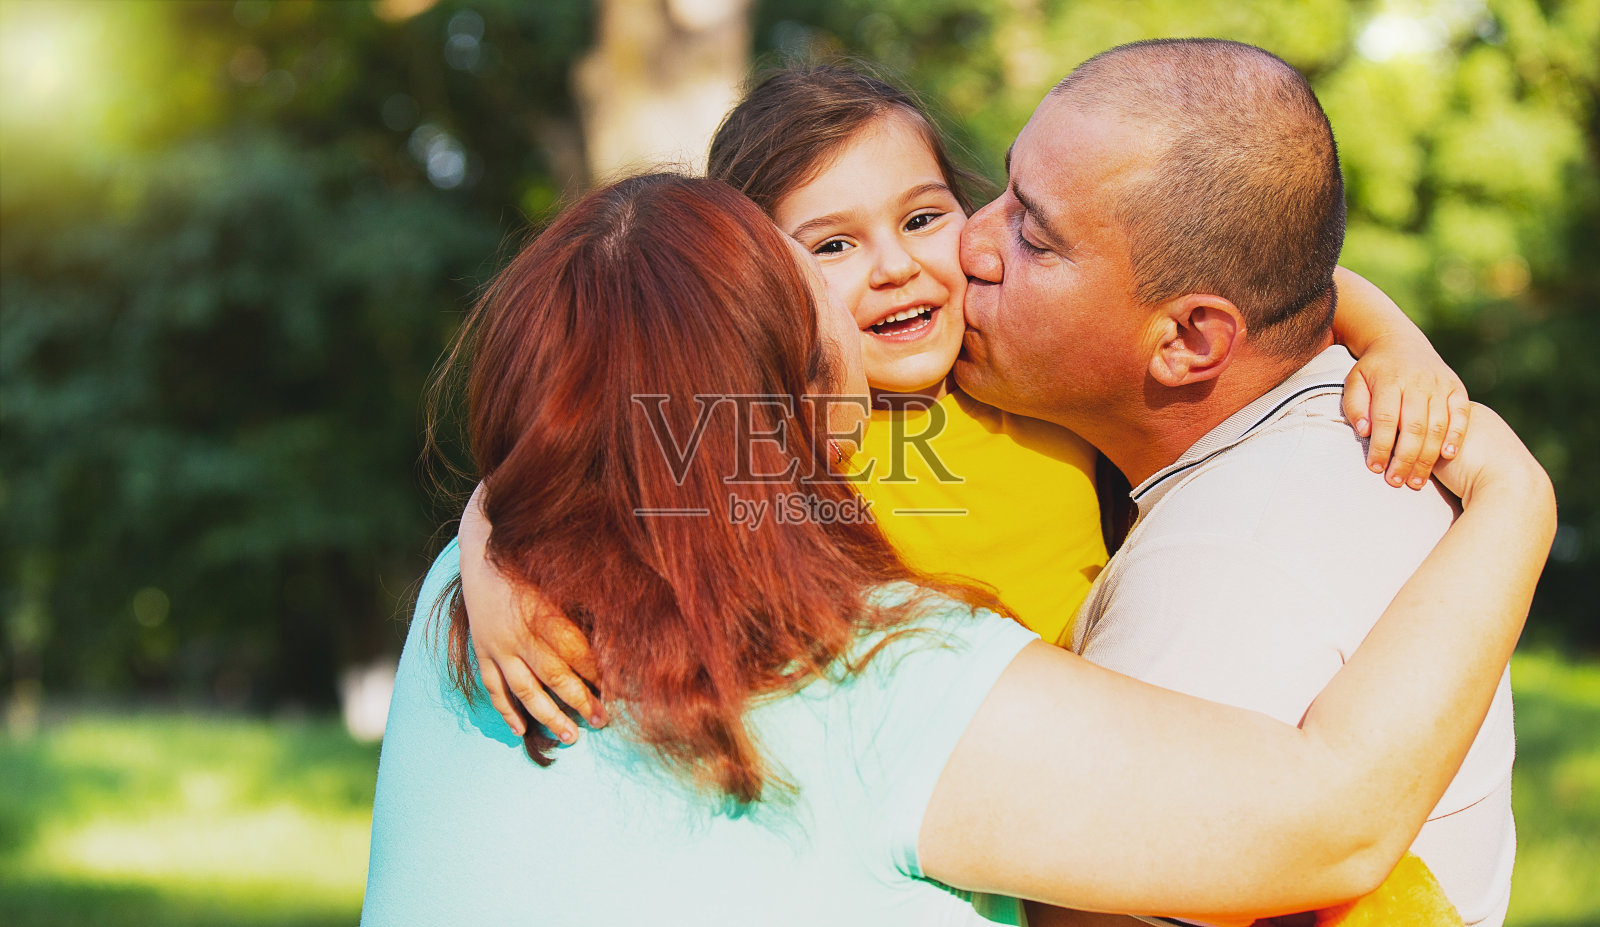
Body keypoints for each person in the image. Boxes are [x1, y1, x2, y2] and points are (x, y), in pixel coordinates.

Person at [361, 172, 1554, 927]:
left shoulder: (464, 612)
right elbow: (1333, 819)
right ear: (807, 388)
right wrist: (1511, 502)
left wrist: (486, 527)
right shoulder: (877, 683)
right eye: (811, 265)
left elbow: (599, 448)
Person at [460, 63, 1474, 743]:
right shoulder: (775, 443)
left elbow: (1256, 282)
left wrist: (1395, 340)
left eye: (923, 216)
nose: (898, 268)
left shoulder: (1017, 380)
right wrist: (491, 549)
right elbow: (589, 474)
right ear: (759, 290)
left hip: (1107, 773)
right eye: (832, 246)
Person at [950, 39, 1511, 925]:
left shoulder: (1226, 561)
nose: (968, 242)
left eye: (1032, 234)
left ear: (1188, 342)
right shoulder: (1314, 427)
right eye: (1004, 189)